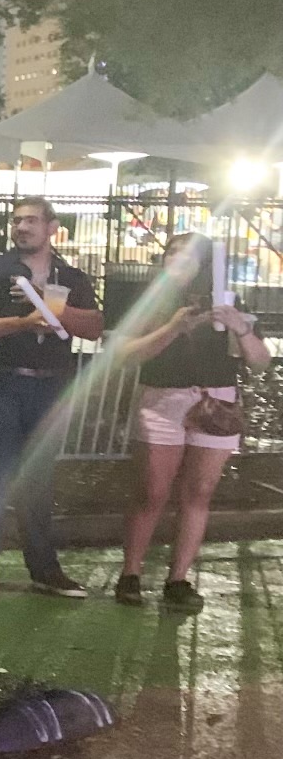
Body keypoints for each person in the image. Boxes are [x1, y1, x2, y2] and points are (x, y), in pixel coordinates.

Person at [0, 197, 105, 597]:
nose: (22, 227)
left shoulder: (71, 277)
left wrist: (50, 304)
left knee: (40, 479)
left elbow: (94, 327)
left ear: (52, 227)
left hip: (52, 385)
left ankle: (44, 570)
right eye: (17, 220)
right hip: (3, 382)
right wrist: (20, 322)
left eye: (31, 220)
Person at [113, 233, 269, 612]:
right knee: (151, 489)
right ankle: (130, 572)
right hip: (162, 398)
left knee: (199, 491)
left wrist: (241, 327)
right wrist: (172, 329)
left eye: (187, 255)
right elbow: (124, 356)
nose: (177, 260)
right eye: (171, 253)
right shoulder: (147, 301)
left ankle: (178, 578)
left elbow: (260, 361)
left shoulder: (228, 301)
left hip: (216, 401)